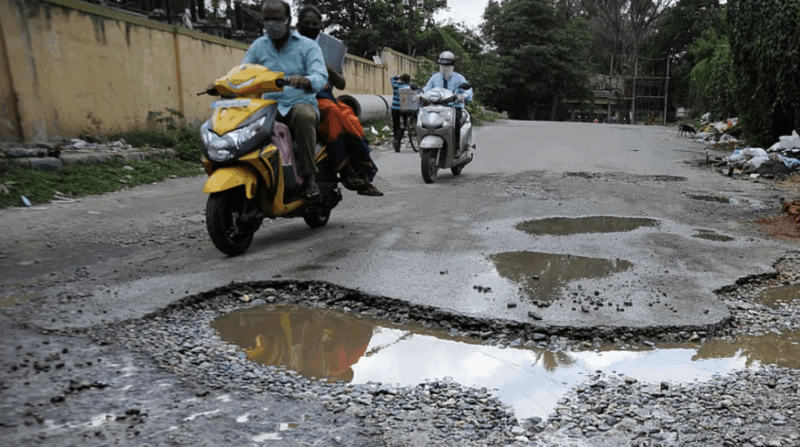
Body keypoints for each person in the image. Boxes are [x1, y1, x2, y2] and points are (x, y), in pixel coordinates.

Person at [240, 0, 328, 199]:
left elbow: (320, 76)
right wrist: (223, 83)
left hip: (299, 102)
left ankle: (309, 178)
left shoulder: (308, 46)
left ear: (288, 20)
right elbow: (243, 70)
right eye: (267, 19)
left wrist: (304, 80)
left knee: (304, 117)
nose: (271, 23)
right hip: (269, 106)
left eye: (276, 19)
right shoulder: (258, 46)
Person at [296, 5, 383, 196]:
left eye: (315, 24)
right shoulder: (287, 48)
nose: (311, 27)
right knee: (333, 113)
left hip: (322, 95)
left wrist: (329, 70)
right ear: (297, 25)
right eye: (306, 24)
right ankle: (345, 170)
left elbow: (341, 84)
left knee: (351, 119)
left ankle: (359, 172)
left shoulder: (326, 49)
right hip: (297, 96)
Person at [422, 51, 473, 154]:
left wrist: (463, 96)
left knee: (455, 123)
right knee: (424, 121)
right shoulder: (434, 78)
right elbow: (426, 88)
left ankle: (456, 148)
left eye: (447, 65)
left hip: (454, 108)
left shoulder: (459, 78)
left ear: (452, 65)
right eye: (442, 64)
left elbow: (468, 91)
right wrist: (420, 94)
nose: (444, 67)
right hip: (436, 108)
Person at [390, 73, 411, 152]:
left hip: (394, 108)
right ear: (408, 80)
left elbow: (391, 79)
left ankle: (396, 140)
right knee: (402, 125)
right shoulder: (408, 87)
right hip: (403, 109)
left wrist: (398, 76)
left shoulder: (395, 85)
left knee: (395, 125)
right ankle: (397, 141)